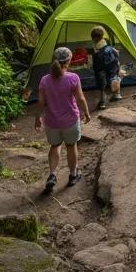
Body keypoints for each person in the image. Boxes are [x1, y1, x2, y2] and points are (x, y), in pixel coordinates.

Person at [34, 46, 92, 193]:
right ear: (69, 60)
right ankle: (73, 175)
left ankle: (52, 174)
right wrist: (86, 113)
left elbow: (41, 102)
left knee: (55, 146)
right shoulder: (73, 78)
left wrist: (37, 118)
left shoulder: (44, 80)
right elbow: (80, 98)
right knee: (71, 146)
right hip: (70, 121)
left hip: (52, 122)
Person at [91, 25, 122, 110]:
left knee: (102, 85)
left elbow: (95, 65)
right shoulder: (109, 47)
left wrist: (92, 68)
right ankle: (117, 94)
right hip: (113, 68)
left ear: (94, 38)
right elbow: (116, 55)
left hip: (101, 71)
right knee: (114, 76)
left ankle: (102, 102)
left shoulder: (96, 51)